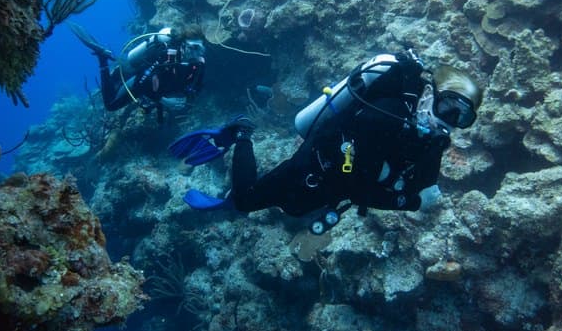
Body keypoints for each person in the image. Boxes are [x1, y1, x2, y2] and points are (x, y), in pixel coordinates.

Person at [169, 49, 482, 233]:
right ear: (429, 95)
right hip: (312, 167)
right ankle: (242, 133)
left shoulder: (431, 139)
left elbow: (419, 184)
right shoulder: (385, 115)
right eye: (446, 108)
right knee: (245, 201)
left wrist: (416, 194)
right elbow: (357, 187)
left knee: (292, 211)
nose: (446, 123)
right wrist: (408, 201)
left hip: (329, 187)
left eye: (460, 118)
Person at [70, 23, 206, 123]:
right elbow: (143, 81)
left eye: (200, 48)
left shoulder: (198, 62)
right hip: (135, 73)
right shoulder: (167, 57)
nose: (196, 52)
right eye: (192, 47)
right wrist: (163, 101)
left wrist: (189, 95)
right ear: (183, 45)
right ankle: (103, 58)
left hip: (155, 85)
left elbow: (196, 86)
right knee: (111, 105)